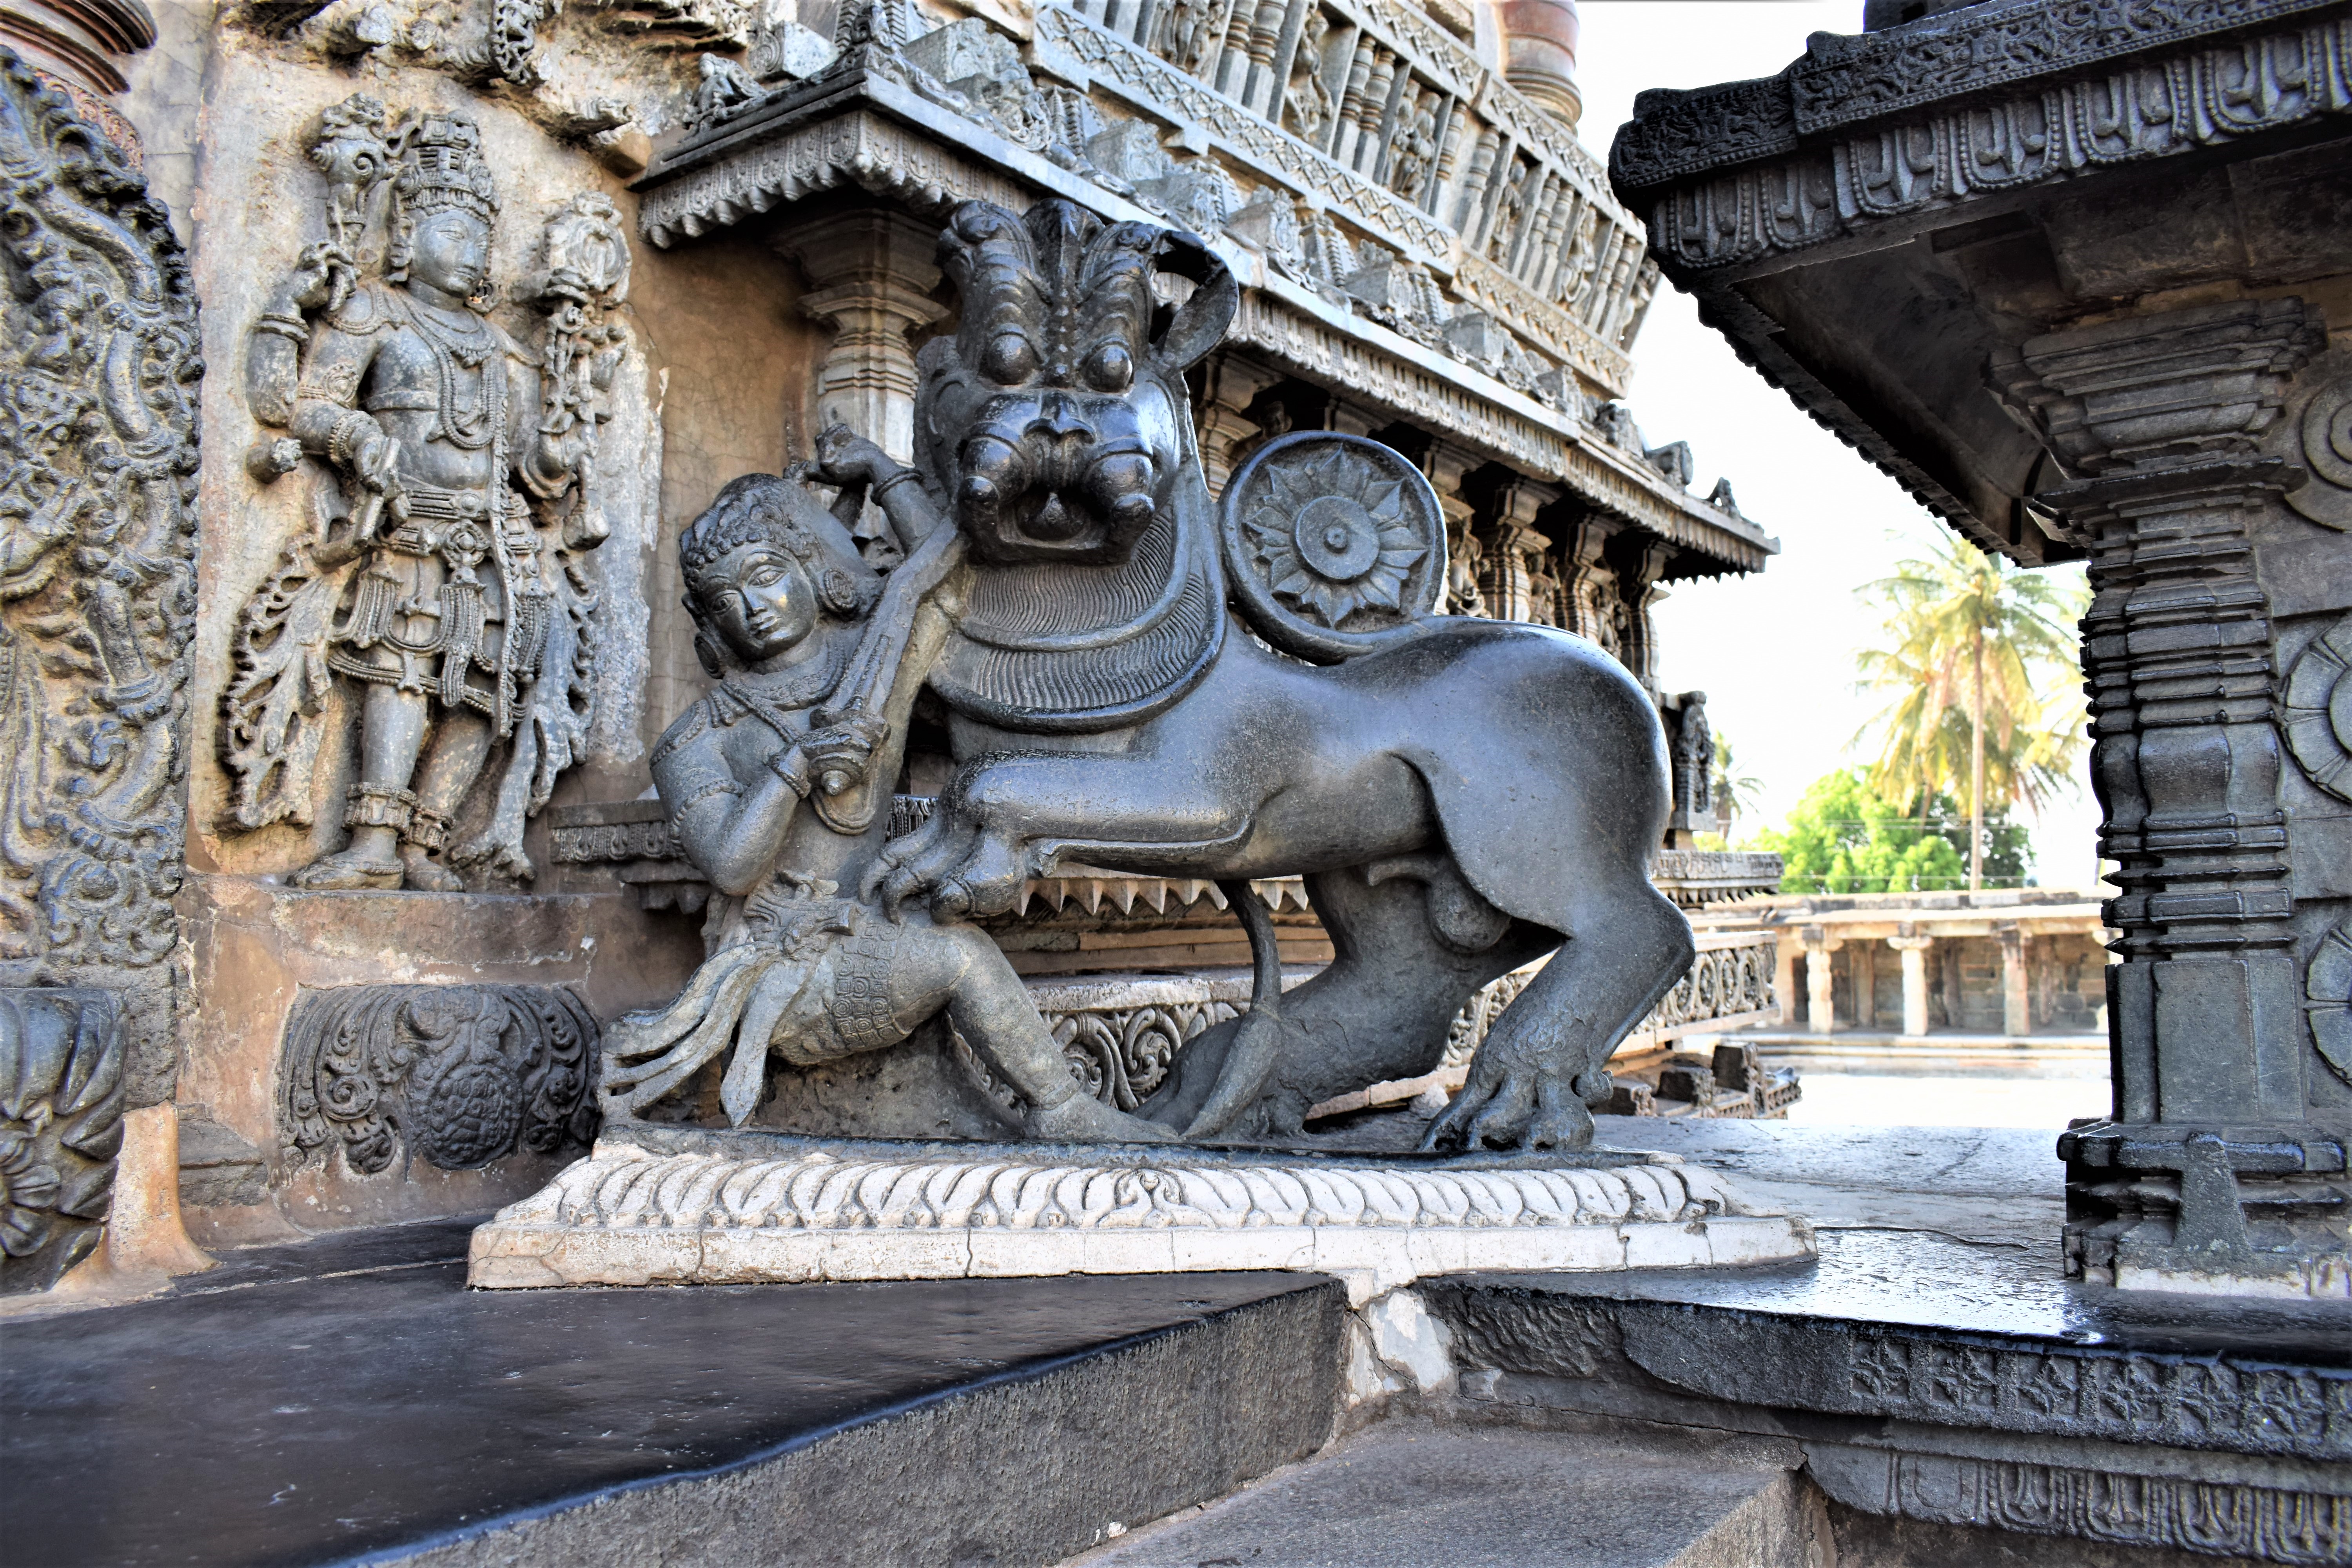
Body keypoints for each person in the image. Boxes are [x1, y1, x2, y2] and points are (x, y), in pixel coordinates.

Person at [600, 470, 1170, 1141]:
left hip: (865, 922)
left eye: (766, 575)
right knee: (960, 956)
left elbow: (940, 579)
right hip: (781, 966)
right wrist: (796, 764)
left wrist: (885, 473)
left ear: (811, 568)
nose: (752, 607)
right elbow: (731, 866)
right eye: (724, 599)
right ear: (708, 621)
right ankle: (1060, 1109)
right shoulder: (696, 739)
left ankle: (1052, 1107)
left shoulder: (869, 663)